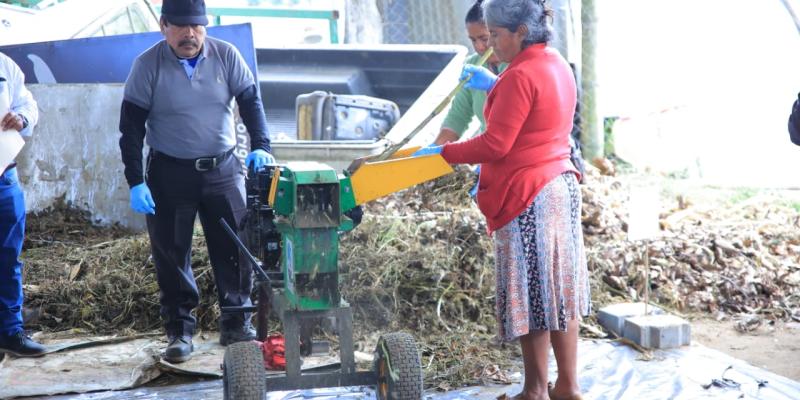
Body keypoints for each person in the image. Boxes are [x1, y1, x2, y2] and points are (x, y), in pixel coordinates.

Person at [414, 1, 590, 399]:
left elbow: (496, 144)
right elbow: (536, 117)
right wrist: (493, 89)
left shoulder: (518, 75)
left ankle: (534, 390)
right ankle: (568, 385)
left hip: (528, 196)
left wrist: (444, 153)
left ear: (520, 32)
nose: (489, 44)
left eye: (494, 35)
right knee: (560, 291)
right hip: (560, 186)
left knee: (533, 294)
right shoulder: (556, 63)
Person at [118, 0, 275, 363]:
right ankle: (180, 330)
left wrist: (261, 146)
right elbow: (131, 129)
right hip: (169, 172)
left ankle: (236, 323)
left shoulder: (226, 55)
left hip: (222, 170)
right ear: (164, 26)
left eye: (197, 26)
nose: (190, 34)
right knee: (172, 252)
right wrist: (136, 180)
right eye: (181, 26)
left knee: (236, 247)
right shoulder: (147, 65)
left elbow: (251, 102)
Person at [0, 52, 45, 357]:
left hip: (4, 174)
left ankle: (10, 331)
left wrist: (21, 118)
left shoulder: (5, 65)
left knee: (7, 256)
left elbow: (27, 104)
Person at [433, 0, 505, 146]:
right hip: (488, 149)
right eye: (473, 40)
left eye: (484, 39)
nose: (480, 47)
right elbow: (458, 117)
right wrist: (435, 149)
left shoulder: (520, 64)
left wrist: (495, 85)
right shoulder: (473, 65)